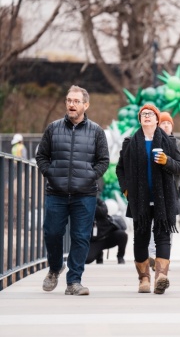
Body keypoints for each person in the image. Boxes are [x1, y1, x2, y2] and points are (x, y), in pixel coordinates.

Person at [36, 85, 109, 296]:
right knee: (52, 233)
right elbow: (41, 156)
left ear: (86, 105)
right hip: (56, 192)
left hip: (85, 194)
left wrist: (89, 176)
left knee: (81, 237)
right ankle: (54, 267)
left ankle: (74, 281)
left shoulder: (96, 131)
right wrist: (50, 173)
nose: (71, 104)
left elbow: (103, 161)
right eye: (69, 100)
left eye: (76, 101)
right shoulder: (53, 128)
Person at [116, 103, 180, 295]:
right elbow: (120, 169)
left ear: (157, 119)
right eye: (143, 114)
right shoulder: (130, 143)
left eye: (151, 114)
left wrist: (167, 161)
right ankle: (144, 279)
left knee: (163, 236)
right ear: (140, 120)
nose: (147, 116)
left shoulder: (169, 143)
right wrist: (126, 190)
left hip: (164, 198)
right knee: (141, 238)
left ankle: (161, 276)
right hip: (139, 199)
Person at [148, 111, 180, 270]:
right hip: (150, 190)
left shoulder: (179, 145)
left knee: (167, 226)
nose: (166, 125)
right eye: (163, 122)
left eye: (168, 123)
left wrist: (169, 164)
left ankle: (162, 258)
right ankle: (152, 256)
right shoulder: (149, 142)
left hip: (170, 191)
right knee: (150, 225)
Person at [86, 197, 128, 265]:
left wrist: (91, 206)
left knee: (122, 235)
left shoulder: (98, 200)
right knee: (87, 260)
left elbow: (103, 212)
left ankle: (120, 257)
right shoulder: (83, 201)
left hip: (108, 235)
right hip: (95, 240)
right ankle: (99, 255)